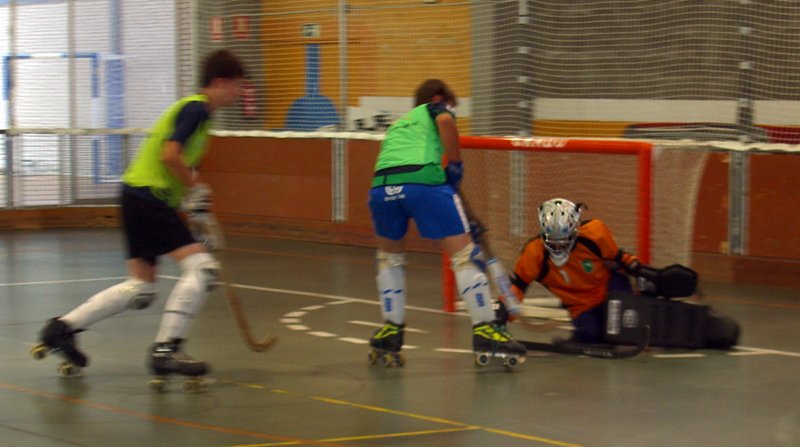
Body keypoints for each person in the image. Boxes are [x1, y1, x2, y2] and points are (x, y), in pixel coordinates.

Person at [32, 49, 246, 379]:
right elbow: (170, 155)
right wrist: (195, 191)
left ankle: (61, 329)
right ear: (219, 82)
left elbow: (177, 168)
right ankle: (166, 350)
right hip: (149, 198)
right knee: (202, 270)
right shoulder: (196, 110)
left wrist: (197, 215)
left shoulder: (199, 117)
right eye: (237, 85)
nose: (239, 92)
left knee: (141, 288)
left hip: (138, 195)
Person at [367, 79, 525, 365]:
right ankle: (485, 329)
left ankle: (391, 329)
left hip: (381, 188)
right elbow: (446, 122)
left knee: (389, 259)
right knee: (465, 256)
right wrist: (454, 164)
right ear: (438, 99)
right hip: (422, 183)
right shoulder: (436, 108)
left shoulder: (401, 123)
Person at [506, 198, 641, 344]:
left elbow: (619, 258)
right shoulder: (535, 254)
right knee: (590, 335)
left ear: (575, 230)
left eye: (564, 239)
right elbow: (516, 287)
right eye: (552, 240)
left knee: (624, 329)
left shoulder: (594, 235)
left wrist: (637, 268)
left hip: (610, 289)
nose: (558, 247)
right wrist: (502, 313)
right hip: (580, 305)